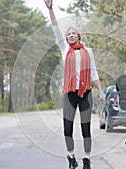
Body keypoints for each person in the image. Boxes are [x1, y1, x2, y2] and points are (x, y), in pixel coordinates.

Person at [43, 0, 105, 169]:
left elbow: (93, 72)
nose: (70, 35)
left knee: (86, 130)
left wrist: (101, 91)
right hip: (70, 94)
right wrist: (51, 10)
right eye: (68, 34)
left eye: (73, 33)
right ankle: (71, 157)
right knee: (67, 129)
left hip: (85, 93)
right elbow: (56, 28)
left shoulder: (88, 51)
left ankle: (86, 159)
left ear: (79, 36)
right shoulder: (65, 50)